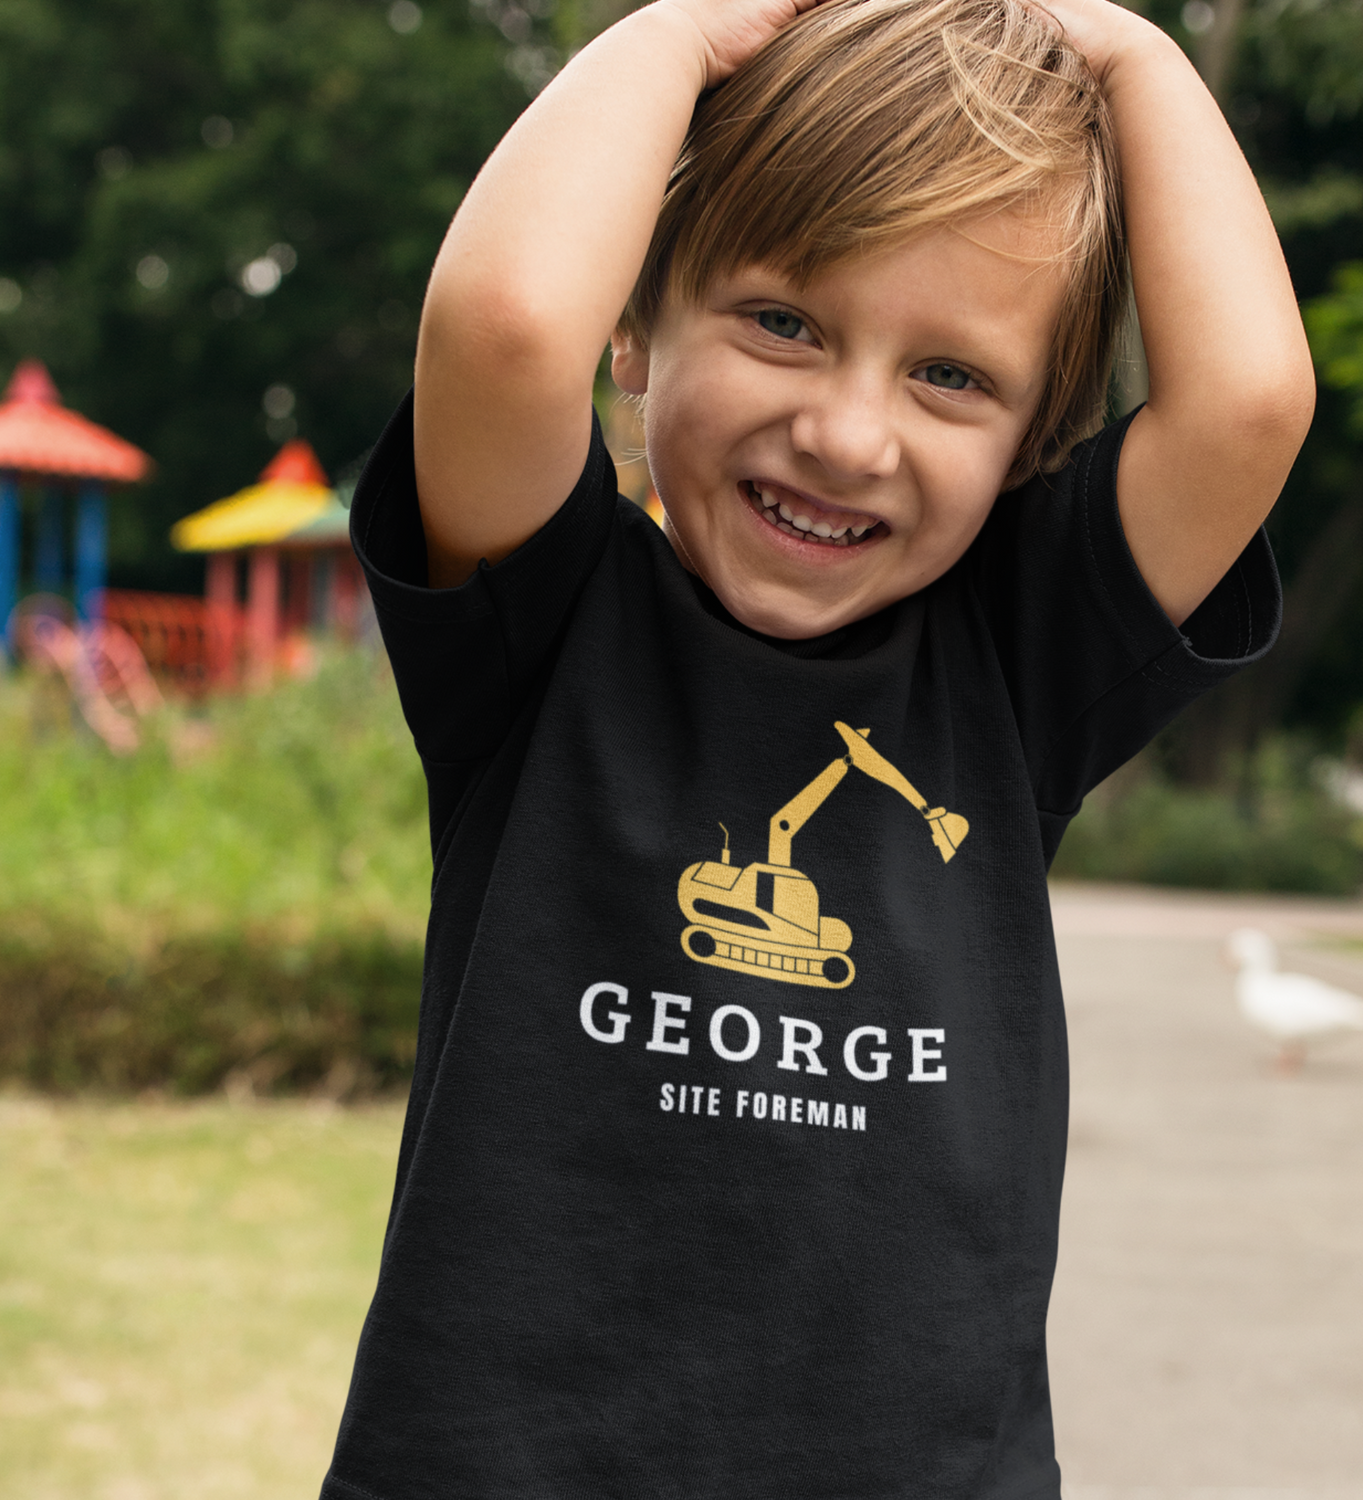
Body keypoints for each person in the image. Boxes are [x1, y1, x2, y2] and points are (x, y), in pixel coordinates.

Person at [321, 0, 1312, 1492]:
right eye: (784, 323)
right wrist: (677, 34)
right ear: (635, 334)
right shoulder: (541, 624)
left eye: (951, 377)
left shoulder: (1017, 666)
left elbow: (1250, 405)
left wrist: (1124, 49)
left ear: (1035, 445)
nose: (849, 436)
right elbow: (506, 326)